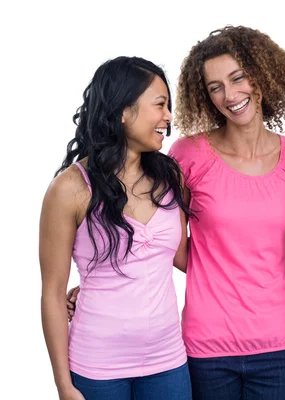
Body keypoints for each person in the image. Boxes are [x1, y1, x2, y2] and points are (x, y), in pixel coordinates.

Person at [168, 26, 285, 400]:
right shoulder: (188, 153)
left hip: (277, 345)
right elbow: (165, 240)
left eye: (237, 78)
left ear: (262, 75)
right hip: (206, 345)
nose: (229, 96)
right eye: (215, 86)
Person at [40, 57, 192, 399]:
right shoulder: (69, 189)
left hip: (168, 362)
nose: (169, 117)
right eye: (160, 105)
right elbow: (52, 293)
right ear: (124, 111)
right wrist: (64, 386)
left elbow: (184, 258)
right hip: (96, 368)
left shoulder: (171, 178)